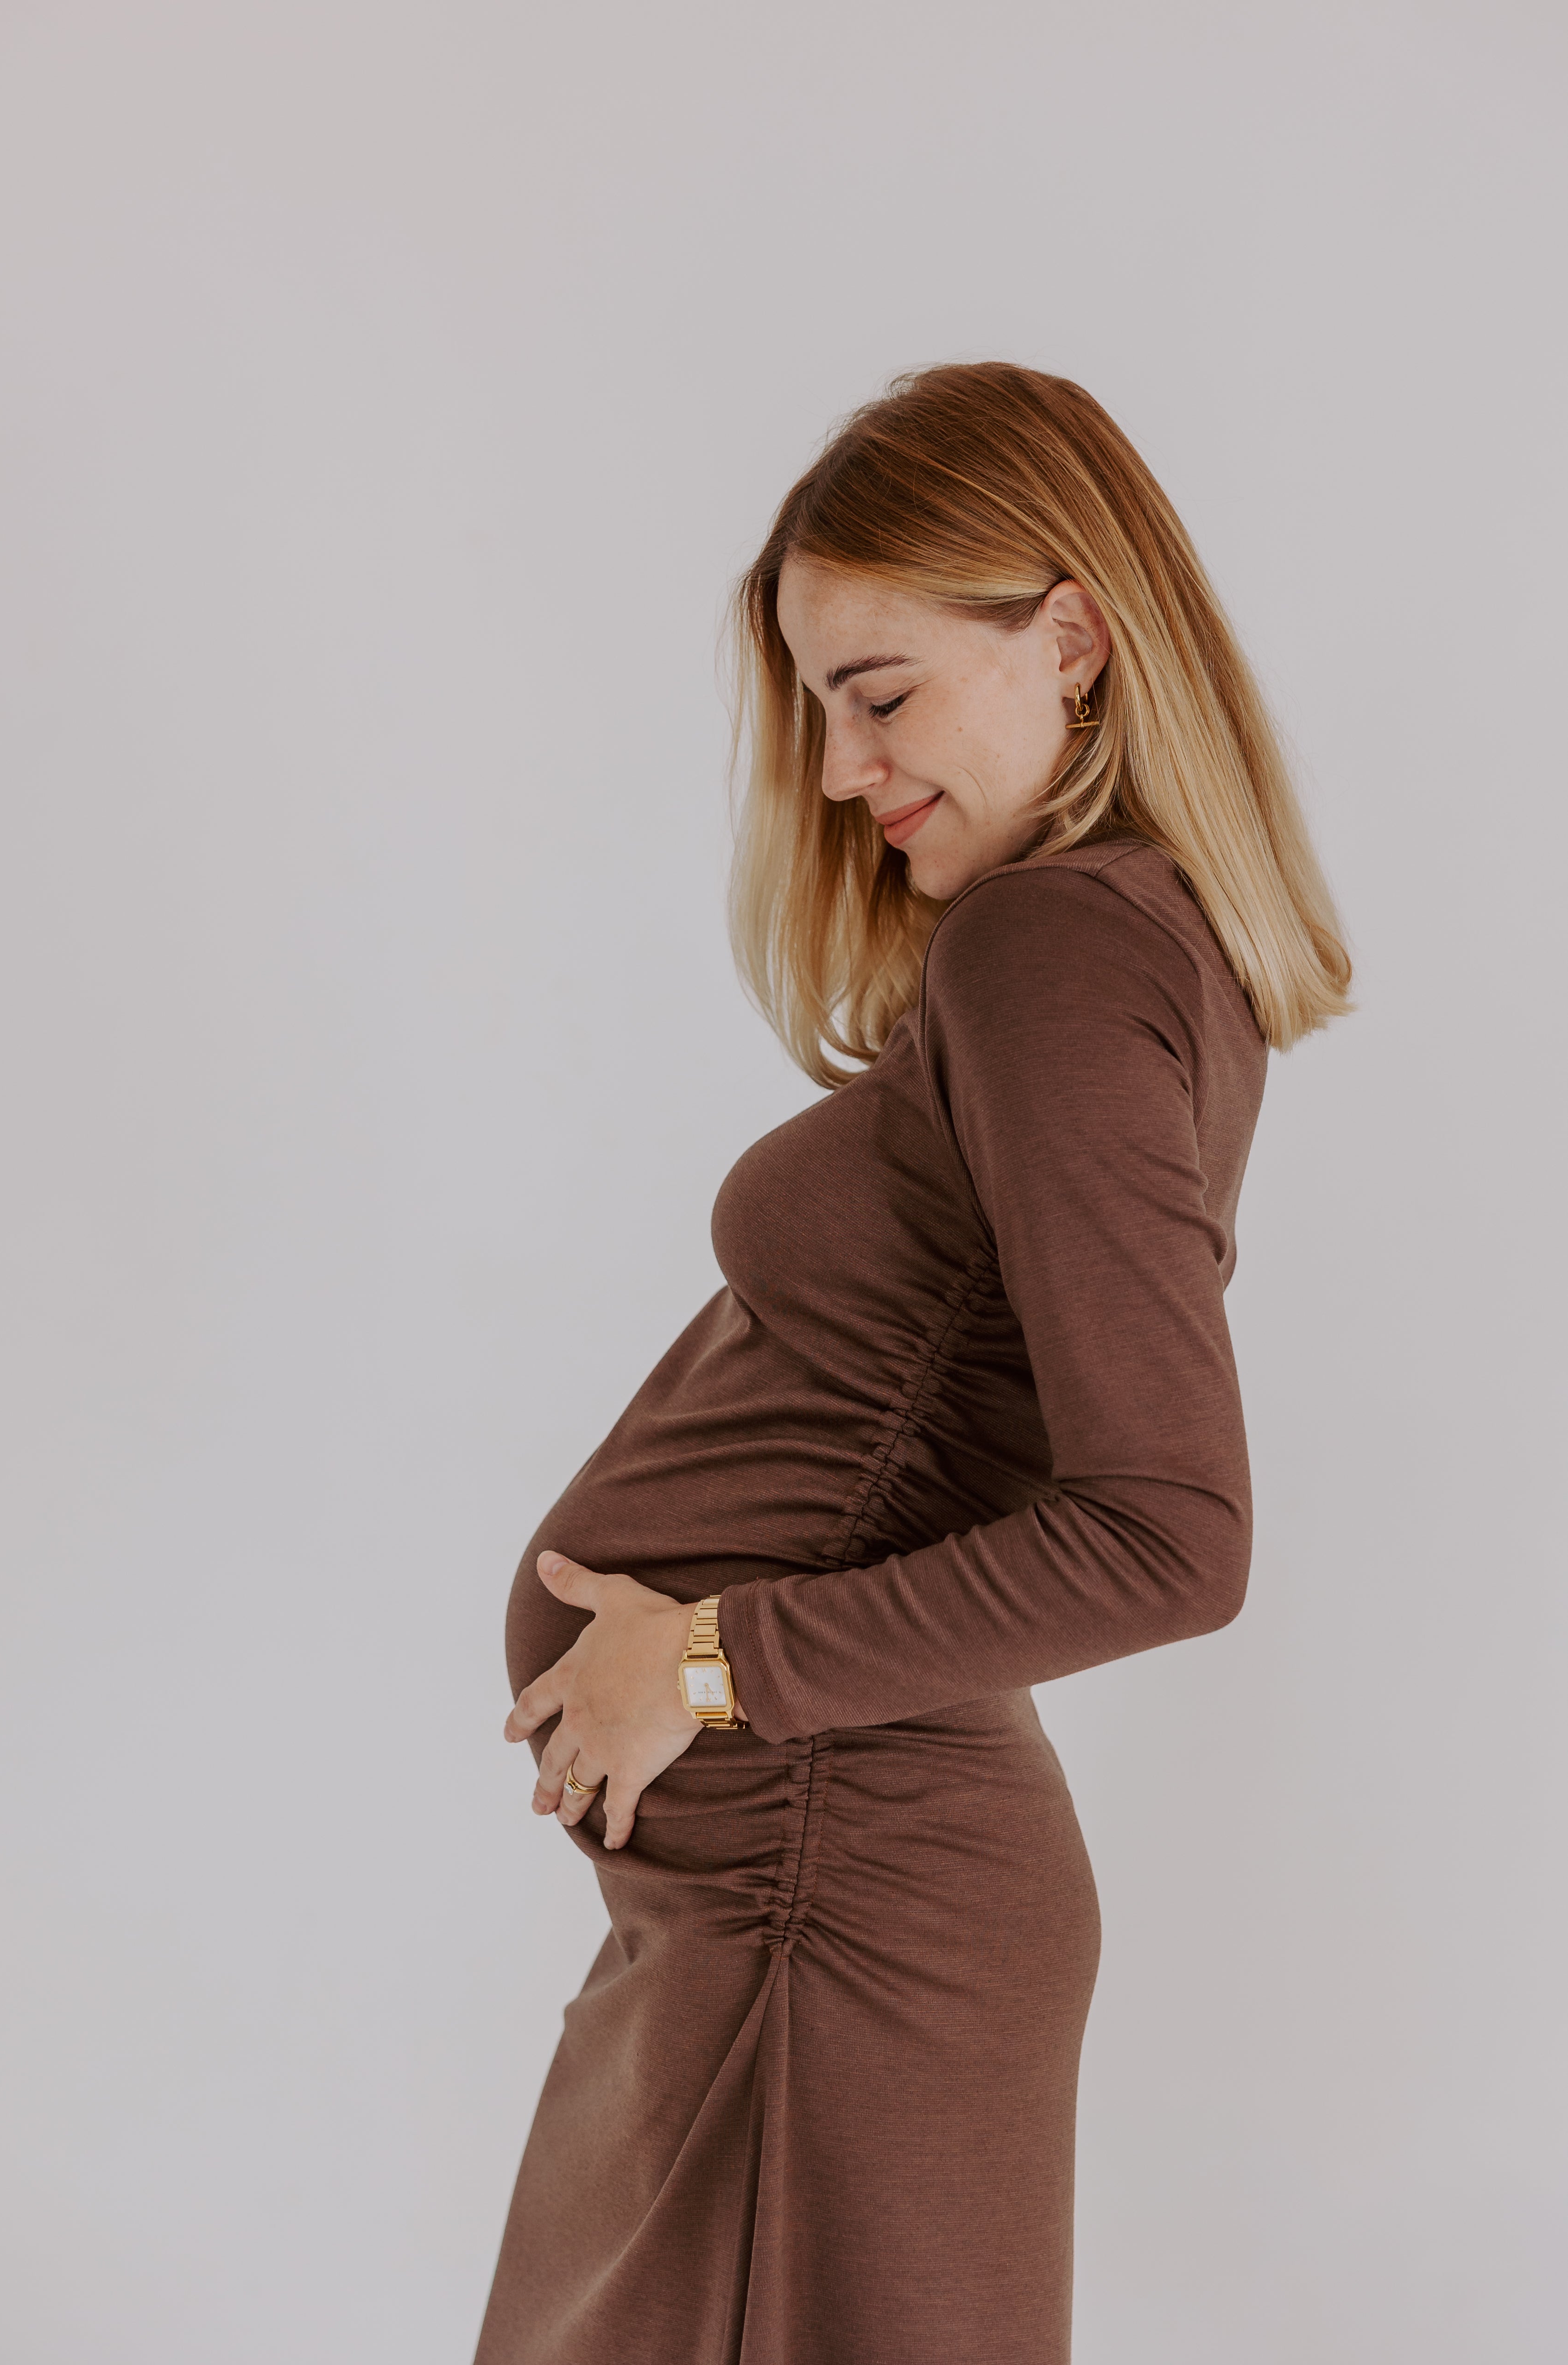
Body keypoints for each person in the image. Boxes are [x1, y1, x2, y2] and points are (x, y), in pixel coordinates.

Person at [473, 362, 1351, 2365]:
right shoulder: (1100, 946)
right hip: (800, 1894)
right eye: (815, 709)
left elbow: (1172, 1532)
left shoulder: (1054, 952)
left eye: (878, 694)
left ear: (1073, 639)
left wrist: (706, 1661)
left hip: (833, 1893)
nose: (839, 767)